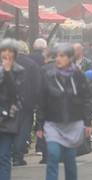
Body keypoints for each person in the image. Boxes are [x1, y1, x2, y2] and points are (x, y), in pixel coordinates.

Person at [36, 43, 92, 180]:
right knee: (53, 155)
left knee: (69, 159)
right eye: (56, 56)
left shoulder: (78, 75)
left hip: (73, 122)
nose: (58, 59)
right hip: (53, 122)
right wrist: (39, 125)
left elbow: (86, 98)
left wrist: (88, 122)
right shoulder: (48, 74)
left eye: (62, 56)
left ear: (70, 58)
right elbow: (42, 100)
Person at [0, 39, 25, 180]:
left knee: (3, 155)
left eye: (10, 51)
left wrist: (8, 72)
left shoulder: (19, 71)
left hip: (8, 117)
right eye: (4, 50)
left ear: (15, 54)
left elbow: (15, 93)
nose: (7, 54)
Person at [13, 41, 41, 167]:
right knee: (23, 129)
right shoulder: (32, 65)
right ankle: (18, 157)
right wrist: (36, 102)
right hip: (27, 103)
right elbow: (37, 86)